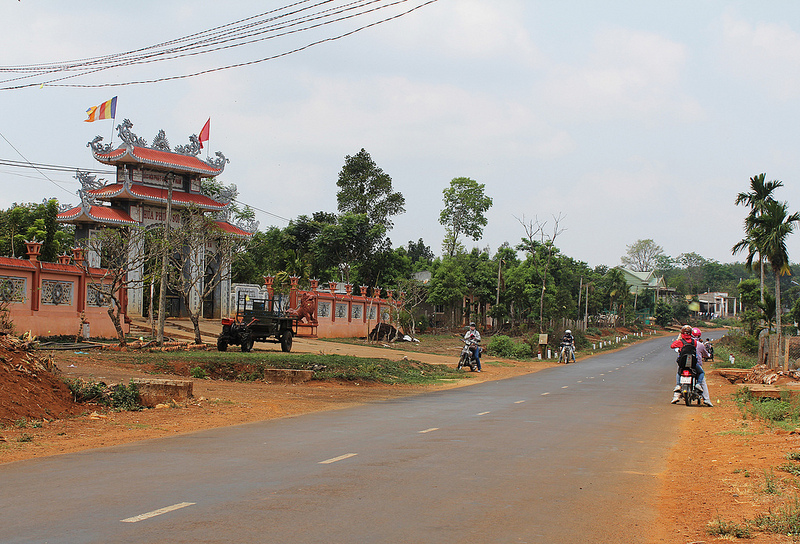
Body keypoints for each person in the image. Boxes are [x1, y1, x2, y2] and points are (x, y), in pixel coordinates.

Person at [670, 325, 712, 406]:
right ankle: (699, 385)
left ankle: (678, 385)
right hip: (693, 364)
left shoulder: (681, 341)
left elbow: (672, 346)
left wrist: (679, 340)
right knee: (701, 373)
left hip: (682, 364)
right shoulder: (696, 343)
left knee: (679, 372)